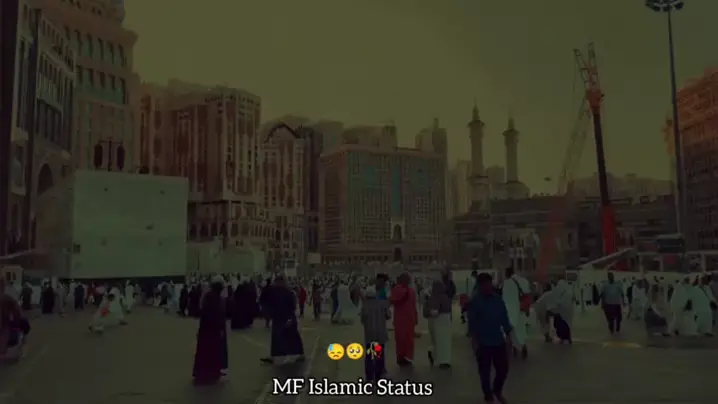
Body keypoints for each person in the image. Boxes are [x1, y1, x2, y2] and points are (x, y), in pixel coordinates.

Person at [467, 272, 512, 404]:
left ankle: (497, 390)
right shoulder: (475, 302)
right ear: (480, 286)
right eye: (485, 285)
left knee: (503, 369)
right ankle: (488, 394)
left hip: (498, 340)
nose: (488, 287)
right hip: (483, 342)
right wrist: (474, 341)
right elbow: (472, 323)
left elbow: (504, 318)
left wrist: (509, 335)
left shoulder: (497, 300)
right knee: (484, 371)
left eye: (489, 284)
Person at [192, 276, 228, 385]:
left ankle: (208, 372)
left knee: (208, 351)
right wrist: (219, 328)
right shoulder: (213, 298)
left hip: (208, 329)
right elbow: (214, 315)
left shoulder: (210, 296)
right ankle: (210, 373)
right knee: (211, 351)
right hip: (212, 330)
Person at [260, 276, 305, 365]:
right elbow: (292, 305)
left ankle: (293, 355)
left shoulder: (282, 292)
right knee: (285, 336)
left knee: (287, 336)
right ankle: (293, 354)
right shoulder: (285, 292)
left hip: (283, 317)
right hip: (283, 317)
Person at [360, 286, 390, 381]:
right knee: (379, 356)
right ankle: (378, 377)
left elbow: (362, 320)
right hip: (380, 335)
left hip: (370, 336)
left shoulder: (365, 306)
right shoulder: (382, 304)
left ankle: (369, 378)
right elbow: (388, 316)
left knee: (369, 357)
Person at [501, 267, 530, 359]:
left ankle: (513, 347)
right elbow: (528, 295)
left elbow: (505, 299)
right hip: (522, 308)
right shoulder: (524, 281)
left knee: (511, 330)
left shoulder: (507, 283)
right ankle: (522, 346)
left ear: (507, 274)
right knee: (521, 330)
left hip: (512, 310)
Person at [390, 272, 417, 366]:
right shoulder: (397, 290)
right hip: (400, 319)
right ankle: (401, 357)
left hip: (409, 318)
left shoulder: (411, 291)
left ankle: (407, 357)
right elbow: (394, 301)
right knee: (401, 339)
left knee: (408, 339)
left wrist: (415, 317)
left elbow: (414, 305)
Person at [424, 280, 452, 369]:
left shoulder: (431, 298)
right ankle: (443, 361)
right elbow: (442, 310)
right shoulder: (444, 297)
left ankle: (432, 351)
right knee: (443, 341)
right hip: (442, 321)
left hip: (432, 321)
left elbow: (428, 312)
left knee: (434, 340)